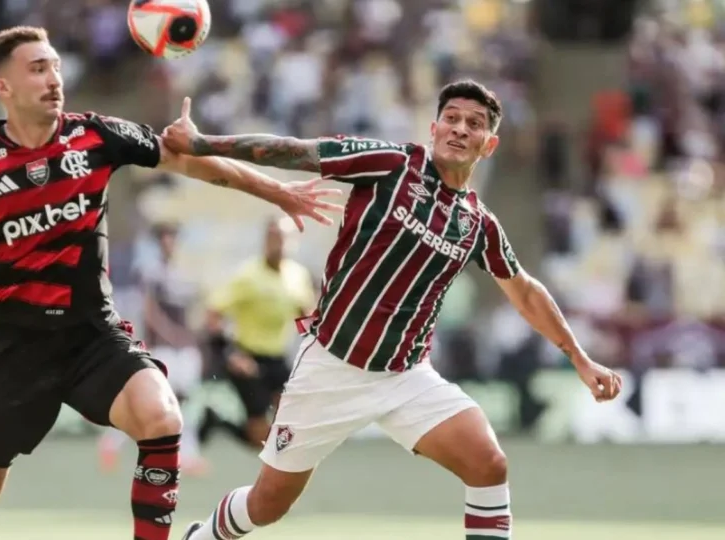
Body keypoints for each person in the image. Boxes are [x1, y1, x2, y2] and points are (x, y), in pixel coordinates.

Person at [0, 26, 341, 540]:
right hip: (16, 346)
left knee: (160, 416)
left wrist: (277, 191)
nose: (54, 78)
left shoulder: (96, 135)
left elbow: (185, 160)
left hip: (93, 334)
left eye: (56, 66)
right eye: (38, 68)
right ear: (3, 88)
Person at [161, 79, 625, 540]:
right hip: (331, 366)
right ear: (434, 126)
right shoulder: (391, 163)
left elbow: (524, 290)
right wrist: (203, 143)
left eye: (475, 124)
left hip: (405, 376)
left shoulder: (478, 223)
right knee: (267, 504)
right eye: (452, 118)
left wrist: (580, 359)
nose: (461, 129)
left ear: (489, 143)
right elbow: (295, 150)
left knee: (488, 464)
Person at [98, 222, 210, 475]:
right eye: (165, 238)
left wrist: (193, 338)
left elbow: (192, 311)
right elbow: (149, 310)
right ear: (159, 242)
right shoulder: (150, 272)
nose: (169, 242)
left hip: (183, 348)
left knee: (185, 402)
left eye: (173, 237)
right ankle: (112, 441)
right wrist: (170, 335)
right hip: (163, 348)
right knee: (155, 404)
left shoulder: (183, 273)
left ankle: (188, 456)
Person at [200, 217, 316, 449]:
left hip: (278, 358)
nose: (279, 243)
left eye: (284, 237)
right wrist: (231, 353)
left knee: (292, 423)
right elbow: (213, 314)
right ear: (265, 240)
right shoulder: (248, 275)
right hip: (248, 359)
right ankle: (217, 420)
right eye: (274, 237)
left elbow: (307, 317)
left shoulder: (297, 275)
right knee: (261, 440)